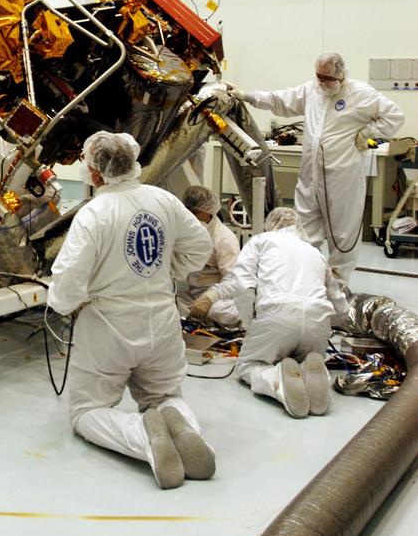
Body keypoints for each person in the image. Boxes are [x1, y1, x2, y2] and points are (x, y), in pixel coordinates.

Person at [48, 131, 215, 490]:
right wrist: (170, 270)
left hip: (111, 328)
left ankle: (144, 438)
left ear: (95, 173)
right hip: (163, 323)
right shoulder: (163, 200)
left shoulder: (93, 215)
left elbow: (66, 284)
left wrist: (66, 304)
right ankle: (181, 425)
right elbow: (201, 245)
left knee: (87, 411)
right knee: (167, 395)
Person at [229, 53, 404, 280]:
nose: (322, 82)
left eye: (327, 78)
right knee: (304, 230)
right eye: (319, 77)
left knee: (342, 232)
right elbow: (279, 100)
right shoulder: (312, 90)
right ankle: (306, 278)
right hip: (310, 175)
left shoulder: (360, 94)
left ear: (340, 75)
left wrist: (367, 133)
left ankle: (339, 282)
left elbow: (394, 116)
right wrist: (247, 96)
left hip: (343, 177)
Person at [190, 207, 348, 418]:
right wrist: (332, 322)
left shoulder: (260, 241)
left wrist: (249, 321)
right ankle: (310, 374)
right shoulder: (315, 252)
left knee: (248, 366)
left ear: (271, 224)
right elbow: (339, 304)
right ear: (298, 227)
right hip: (317, 323)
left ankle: (277, 380)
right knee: (303, 356)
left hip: (276, 315)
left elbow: (242, 283)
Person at [176, 185, 241, 329]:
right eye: (187, 212)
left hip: (220, 297)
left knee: (218, 312)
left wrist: (210, 298)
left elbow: (234, 280)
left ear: (209, 212)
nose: (190, 217)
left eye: (196, 213)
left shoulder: (224, 238)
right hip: (192, 293)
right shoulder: (184, 231)